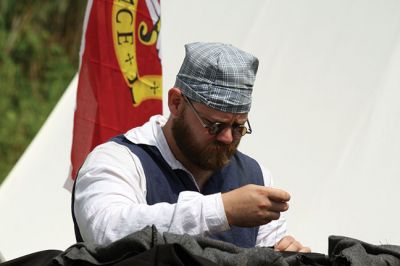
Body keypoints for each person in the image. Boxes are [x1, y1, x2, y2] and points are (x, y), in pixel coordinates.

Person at [72, 42, 310, 252]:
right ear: (176, 103)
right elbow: (104, 232)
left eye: (238, 126)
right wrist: (222, 210)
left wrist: (284, 256)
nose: (228, 138)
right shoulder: (118, 160)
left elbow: (267, 252)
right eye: (214, 125)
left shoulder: (255, 176)